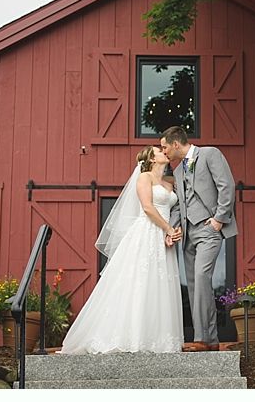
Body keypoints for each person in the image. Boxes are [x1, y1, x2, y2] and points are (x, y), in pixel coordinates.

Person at [59, 145, 184, 354]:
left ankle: (157, 339)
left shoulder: (170, 182)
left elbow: (177, 207)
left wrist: (173, 231)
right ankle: (132, 337)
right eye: (159, 151)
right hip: (147, 232)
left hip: (164, 238)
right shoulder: (144, 178)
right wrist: (168, 229)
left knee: (160, 284)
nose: (164, 152)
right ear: (152, 159)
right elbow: (147, 207)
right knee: (140, 282)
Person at [160, 126, 237, 352]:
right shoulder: (177, 171)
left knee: (202, 277)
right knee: (194, 286)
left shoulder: (210, 154)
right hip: (188, 233)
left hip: (209, 229)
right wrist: (171, 228)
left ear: (176, 144)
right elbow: (180, 207)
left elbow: (227, 186)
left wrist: (219, 220)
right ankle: (210, 340)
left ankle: (202, 338)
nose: (163, 151)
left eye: (165, 147)